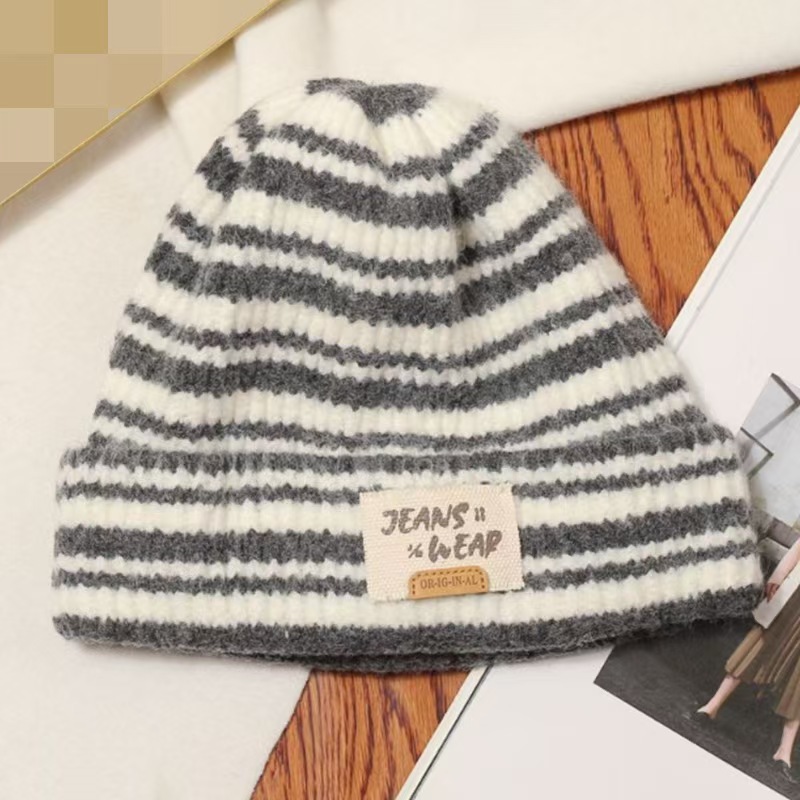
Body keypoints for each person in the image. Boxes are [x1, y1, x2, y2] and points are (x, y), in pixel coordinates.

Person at [697, 537, 800, 779]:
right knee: (756, 646)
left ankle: (784, 751)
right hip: (794, 596)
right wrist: (777, 577)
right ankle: (712, 706)